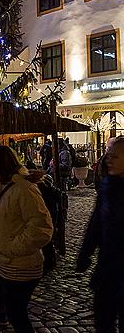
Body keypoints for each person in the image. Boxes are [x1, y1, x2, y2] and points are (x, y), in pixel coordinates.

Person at [0, 145, 53, 333]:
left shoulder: (24, 189)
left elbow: (41, 228)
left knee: (16, 313)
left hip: (18, 265)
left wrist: (13, 247)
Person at [77, 136, 124, 332]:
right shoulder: (107, 186)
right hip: (108, 267)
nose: (108, 160)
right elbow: (97, 223)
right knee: (103, 319)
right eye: (108, 156)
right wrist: (85, 253)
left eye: (114, 156)